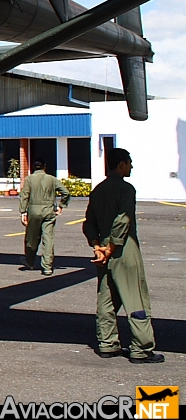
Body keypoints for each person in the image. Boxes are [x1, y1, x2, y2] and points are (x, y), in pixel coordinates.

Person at [83, 148, 163, 363]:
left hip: (104, 251)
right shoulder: (126, 189)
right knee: (136, 298)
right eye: (129, 163)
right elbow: (123, 220)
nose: (131, 167)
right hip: (124, 249)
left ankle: (107, 344)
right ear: (121, 164)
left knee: (106, 299)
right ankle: (141, 348)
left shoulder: (98, 190)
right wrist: (111, 248)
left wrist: (98, 246)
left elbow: (89, 223)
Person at [19, 160, 70, 276]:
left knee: (31, 238)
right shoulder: (51, 179)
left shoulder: (29, 179)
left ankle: (30, 261)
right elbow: (65, 192)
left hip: (34, 210)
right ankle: (47, 266)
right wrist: (61, 206)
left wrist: (23, 212)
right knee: (48, 238)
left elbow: (24, 196)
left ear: (33, 167)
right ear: (44, 167)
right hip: (49, 210)